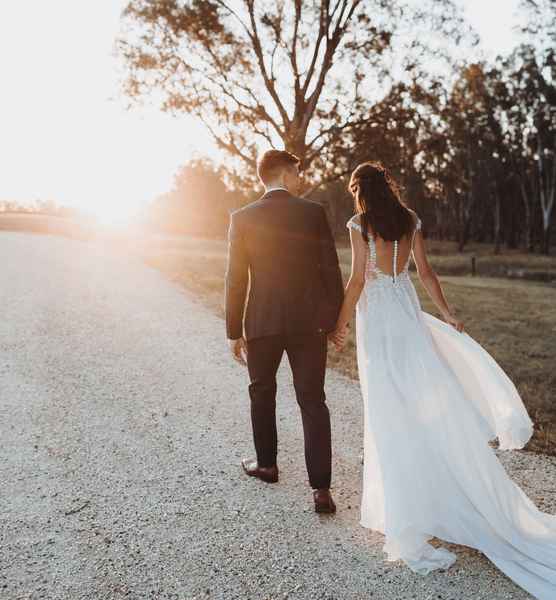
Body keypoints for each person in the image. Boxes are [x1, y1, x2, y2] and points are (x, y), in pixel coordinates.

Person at [330, 160, 555, 599]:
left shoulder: (359, 225)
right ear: (388, 187)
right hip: (408, 317)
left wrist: (338, 324)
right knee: (419, 408)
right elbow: (427, 274)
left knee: (389, 412)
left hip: (377, 323)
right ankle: (432, 499)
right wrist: (447, 313)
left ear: (359, 190)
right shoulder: (410, 220)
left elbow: (357, 280)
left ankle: (410, 510)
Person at [225, 149, 344, 513]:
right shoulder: (312, 213)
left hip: (262, 321)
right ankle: (321, 490)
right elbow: (330, 269)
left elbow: (236, 278)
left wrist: (234, 329)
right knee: (312, 400)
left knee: (262, 391)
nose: (299, 178)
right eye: (297, 172)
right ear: (285, 173)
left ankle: (267, 465)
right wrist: (336, 321)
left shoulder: (242, 218)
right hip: (309, 324)